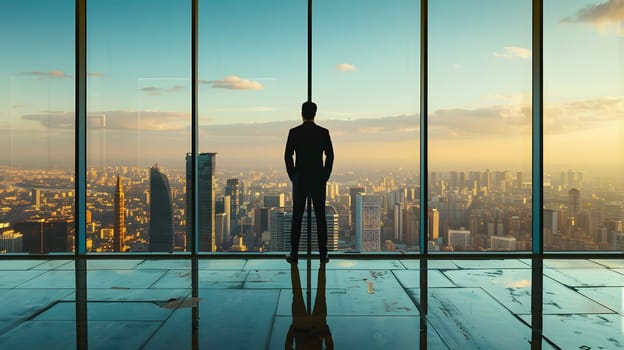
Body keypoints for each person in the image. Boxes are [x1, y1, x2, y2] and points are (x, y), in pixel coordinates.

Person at [284, 101, 334, 263]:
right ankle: (323, 254)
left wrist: (293, 176)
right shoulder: (323, 132)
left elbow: (287, 156)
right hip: (318, 179)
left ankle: (294, 254)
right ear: (315, 113)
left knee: (297, 217)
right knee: (320, 217)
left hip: (300, 179)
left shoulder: (294, 132)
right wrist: (325, 175)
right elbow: (330, 156)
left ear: (302, 113)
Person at [285, 262, 333, 349]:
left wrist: (325, 329)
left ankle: (322, 263)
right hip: (300, 326)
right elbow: (288, 346)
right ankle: (293, 265)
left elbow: (330, 346)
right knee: (297, 292)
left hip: (317, 325)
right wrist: (292, 329)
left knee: (320, 293)